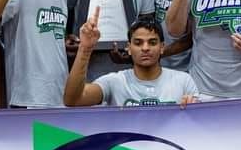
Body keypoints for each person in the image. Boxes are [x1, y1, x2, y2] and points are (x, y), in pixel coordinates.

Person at [65, 14, 198, 107]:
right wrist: (85, 48)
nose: (145, 48)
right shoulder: (115, 82)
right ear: (128, 48)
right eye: (138, 43)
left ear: (162, 47)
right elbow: (73, 100)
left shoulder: (183, 81)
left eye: (152, 42)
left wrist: (193, 109)